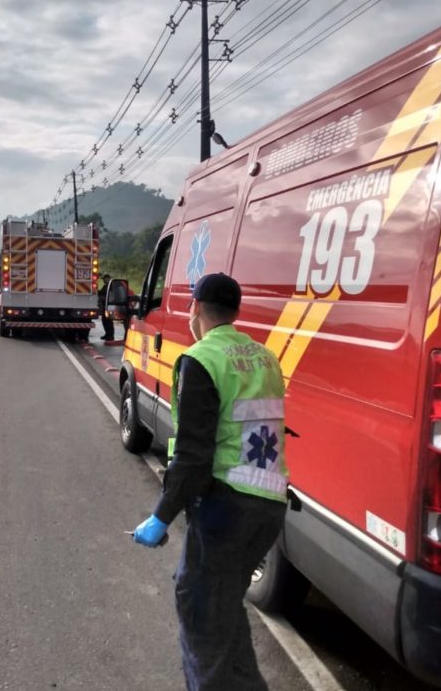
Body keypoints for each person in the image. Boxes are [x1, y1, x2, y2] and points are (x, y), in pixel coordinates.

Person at [132, 272, 289, 691]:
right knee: (225, 609)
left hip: (227, 508)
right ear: (236, 311)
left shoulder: (202, 359)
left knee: (201, 611)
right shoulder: (264, 357)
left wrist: (161, 517)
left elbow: (194, 454)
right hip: (269, 506)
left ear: (196, 309)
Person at [98, 273, 115, 340]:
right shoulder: (106, 286)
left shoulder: (111, 286)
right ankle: (107, 334)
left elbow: (109, 296)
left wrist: (102, 297)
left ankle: (110, 335)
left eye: (104, 279)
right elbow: (101, 293)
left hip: (109, 306)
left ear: (107, 278)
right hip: (105, 306)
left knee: (108, 321)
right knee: (105, 320)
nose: (103, 281)